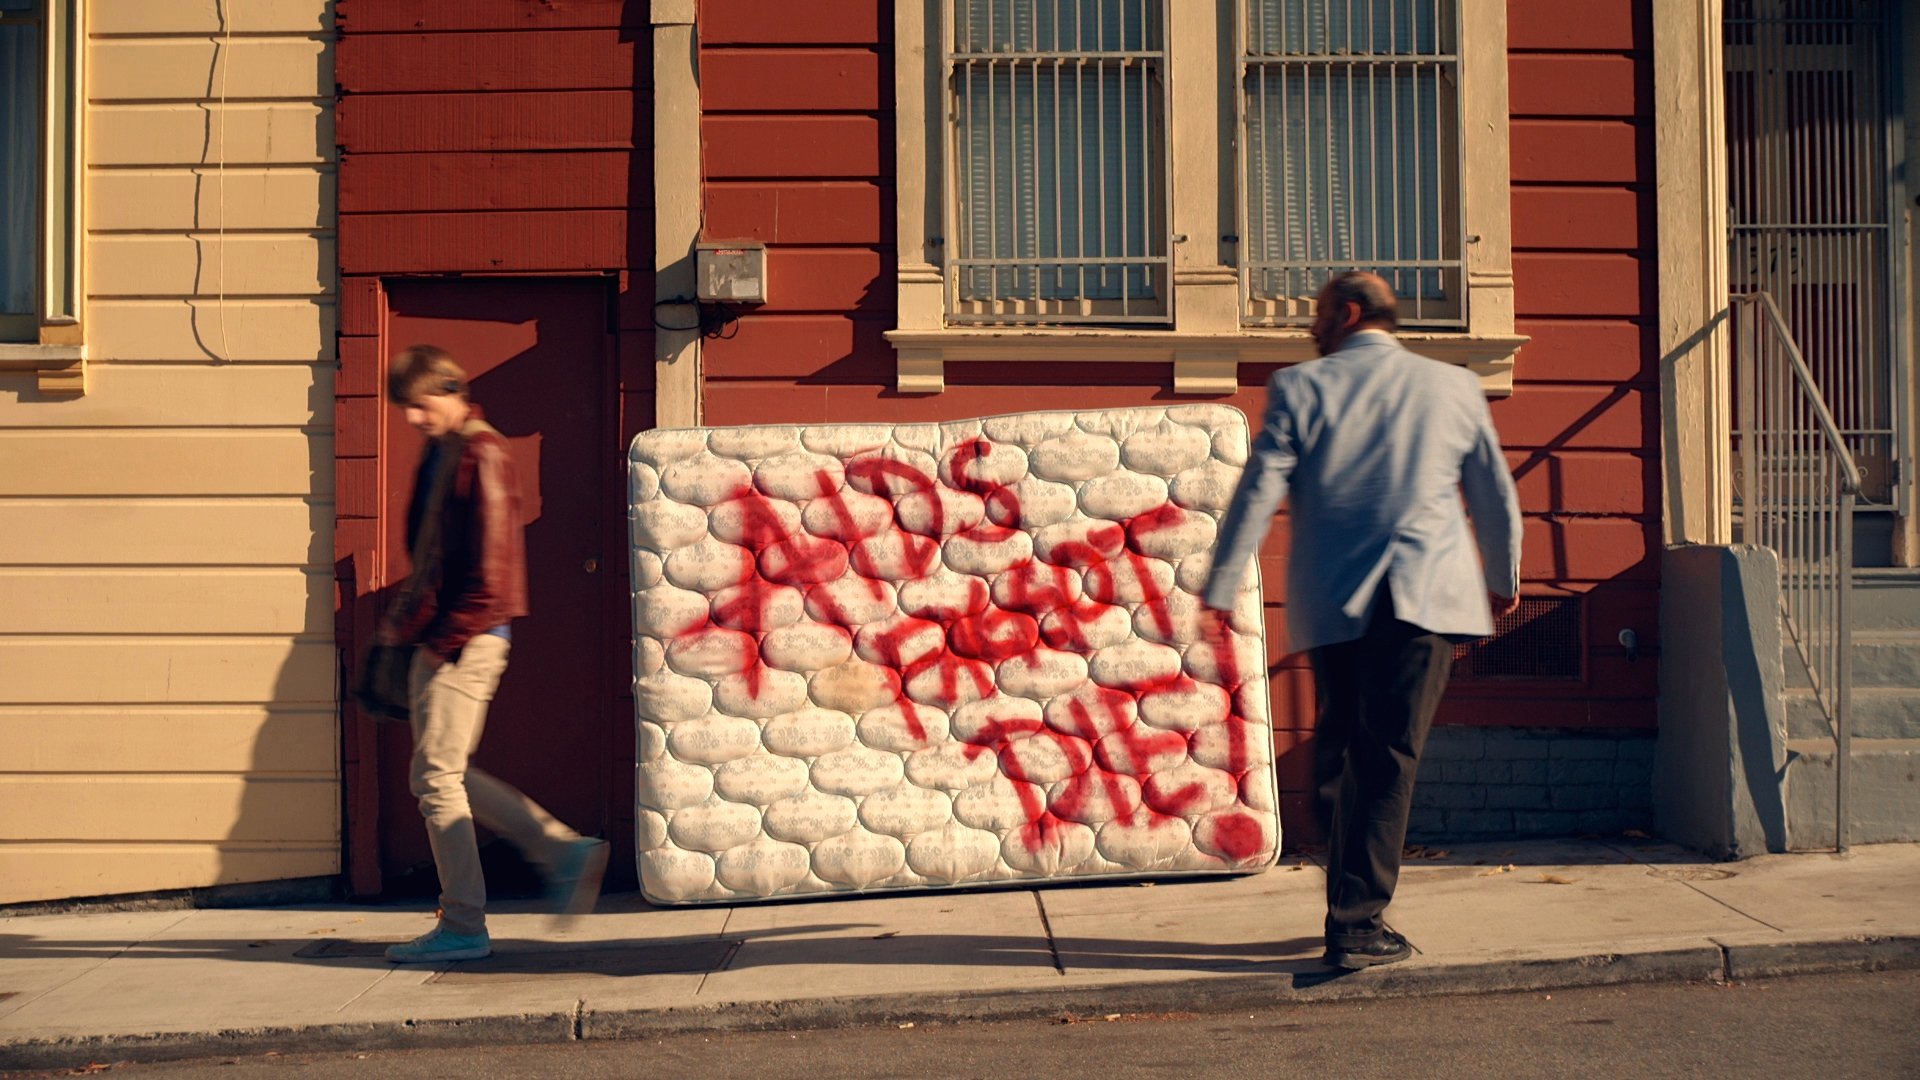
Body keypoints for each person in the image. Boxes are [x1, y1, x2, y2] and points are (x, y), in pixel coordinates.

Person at [1203, 272, 1523, 970]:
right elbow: (1493, 495)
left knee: (1350, 748)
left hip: (1336, 602)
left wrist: (1223, 581)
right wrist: (1503, 579)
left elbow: (1261, 485)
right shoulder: (1453, 386)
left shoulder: (1300, 387)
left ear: (1347, 313)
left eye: (1318, 314)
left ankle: (1348, 869)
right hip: (1424, 598)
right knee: (1385, 757)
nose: (1310, 328)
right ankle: (1356, 925)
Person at [377, 345, 609, 964]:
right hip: (448, 637)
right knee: (442, 774)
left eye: (419, 406)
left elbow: (492, 572)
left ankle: (463, 925)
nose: (412, 419)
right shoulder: (446, 449)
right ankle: (563, 851)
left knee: (436, 779)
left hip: (466, 638)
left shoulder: (482, 453)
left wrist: (440, 643)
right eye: (406, 409)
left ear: (451, 390)